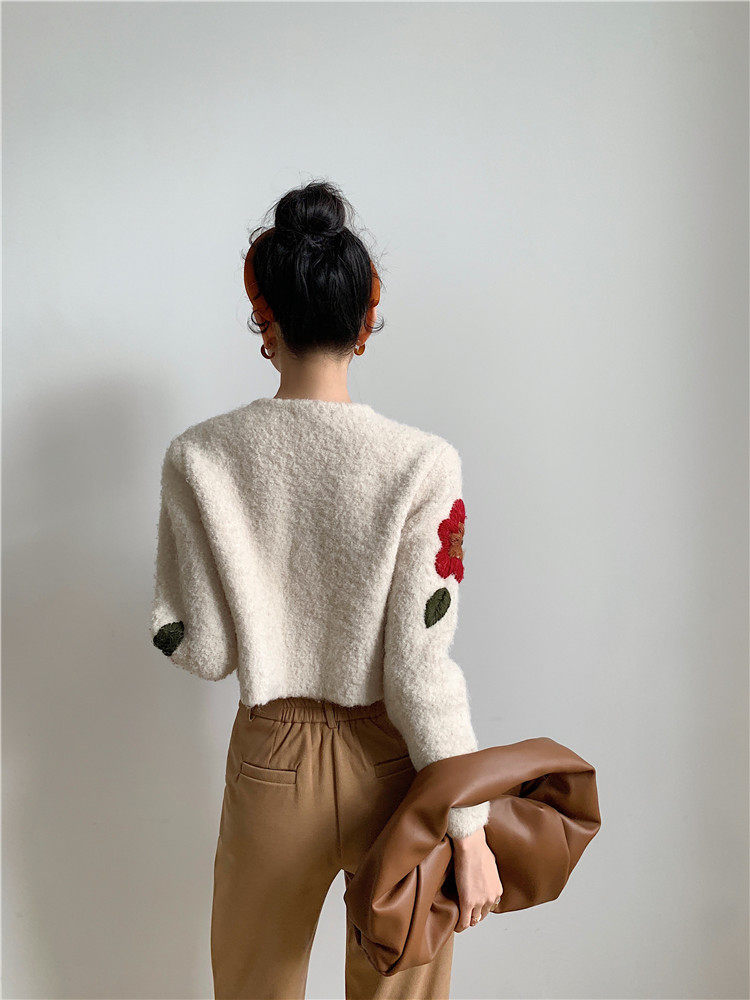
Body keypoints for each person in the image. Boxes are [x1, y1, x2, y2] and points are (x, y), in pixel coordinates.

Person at [148, 179, 503, 1000]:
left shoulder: (200, 458)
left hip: (271, 758)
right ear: (364, 324)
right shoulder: (423, 466)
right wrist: (469, 828)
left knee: (252, 989)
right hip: (393, 764)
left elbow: (203, 650)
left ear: (264, 323)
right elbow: (419, 670)